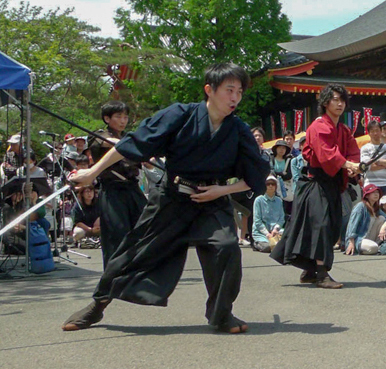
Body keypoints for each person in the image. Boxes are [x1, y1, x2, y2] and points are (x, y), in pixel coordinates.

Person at [61, 62, 269, 334]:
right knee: (132, 253)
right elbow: (132, 144)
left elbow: (257, 173)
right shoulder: (179, 115)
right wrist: (91, 173)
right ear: (209, 90)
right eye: (229, 90)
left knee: (227, 247)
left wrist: (222, 191)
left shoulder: (238, 130)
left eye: (239, 92)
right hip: (172, 198)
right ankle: (97, 306)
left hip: (212, 201)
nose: (235, 98)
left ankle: (221, 313)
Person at [271, 84, 361, 289]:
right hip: (315, 183)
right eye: (335, 99)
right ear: (325, 102)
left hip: (333, 182)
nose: (339, 103)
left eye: (342, 99)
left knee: (331, 226)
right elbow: (326, 153)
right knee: (321, 225)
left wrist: (353, 167)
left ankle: (310, 271)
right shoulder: (319, 125)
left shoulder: (344, 130)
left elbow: (353, 151)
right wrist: (347, 164)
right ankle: (321, 274)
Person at [88, 100, 147, 266]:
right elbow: (113, 144)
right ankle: (113, 279)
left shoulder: (129, 137)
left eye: (126, 117)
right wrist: (134, 144)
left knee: (145, 227)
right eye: (118, 116)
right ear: (107, 118)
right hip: (113, 191)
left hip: (133, 189)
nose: (123, 120)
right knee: (117, 235)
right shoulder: (98, 135)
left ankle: (137, 273)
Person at [344, 184, 385, 255]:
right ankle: (373, 248)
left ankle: (376, 247)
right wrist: (351, 242)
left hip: (369, 238)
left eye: (377, 192)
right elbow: (352, 225)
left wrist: (383, 228)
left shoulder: (376, 208)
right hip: (358, 239)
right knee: (373, 247)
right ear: (366, 195)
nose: (376, 194)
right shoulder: (360, 206)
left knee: (382, 218)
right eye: (373, 192)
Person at [359, 120, 386, 198]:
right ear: (369, 133)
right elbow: (367, 166)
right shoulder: (365, 148)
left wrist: (377, 161)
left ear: (380, 131)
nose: (375, 133)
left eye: (377, 131)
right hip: (370, 185)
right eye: (372, 131)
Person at [251, 175, 285, 252]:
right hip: (261, 234)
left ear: (276, 187)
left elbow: (281, 219)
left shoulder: (279, 201)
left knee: (287, 244)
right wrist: (267, 234)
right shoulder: (258, 200)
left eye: (273, 184)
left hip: (276, 232)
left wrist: (276, 229)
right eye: (268, 184)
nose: (270, 186)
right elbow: (257, 221)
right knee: (268, 247)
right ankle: (256, 243)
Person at [70, 182, 102, 247]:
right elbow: (78, 222)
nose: (89, 194)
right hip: (83, 228)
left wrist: (98, 220)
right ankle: (80, 241)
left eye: (91, 191)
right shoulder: (77, 205)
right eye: (87, 192)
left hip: (96, 228)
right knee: (78, 233)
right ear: (82, 194)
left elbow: (102, 214)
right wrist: (90, 229)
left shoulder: (98, 203)